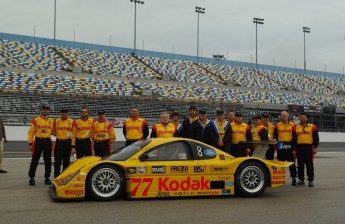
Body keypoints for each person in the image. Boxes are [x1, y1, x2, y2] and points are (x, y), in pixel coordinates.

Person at [28, 105, 54, 186]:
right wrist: (30, 143)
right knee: (35, 160)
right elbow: (31, 132)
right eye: (44, 109)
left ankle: (47, 177)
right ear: (41, 110)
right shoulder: (35, 120)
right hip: (38, 141)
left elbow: (55, 131)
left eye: (47, 110)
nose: (45, 111)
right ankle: (31, 177)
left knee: (48, 161)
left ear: (48, 111)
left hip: (47, 141)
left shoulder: (52, 121)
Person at [293, 112, 319, 187]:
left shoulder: (312, 127)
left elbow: (316, 138)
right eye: (301, 117)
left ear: (306, 118)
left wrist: (315, 147)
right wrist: (294, 149)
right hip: (299, 148)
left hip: (309, 148)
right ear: (299, 118)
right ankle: (301, 180)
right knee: (300, 165)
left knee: (309, 165)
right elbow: (294, 140)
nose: (303, 118)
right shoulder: (296, 127)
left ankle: (310, 180)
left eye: (304, 117)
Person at [274, 111, 297, 186]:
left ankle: (293, 178)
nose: (283, 117)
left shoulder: (293, 125)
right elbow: (275, 136)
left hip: (289, 144)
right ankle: (280, 179)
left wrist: (293, 149)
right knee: (280, 162)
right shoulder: (277, 125)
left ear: (288, 116)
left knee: (291, 162)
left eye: (285, 116)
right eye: (282, 116)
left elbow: (295, 137)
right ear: (280, 117)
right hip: (281, 144)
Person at [52, 108, 75, 177]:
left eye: (65, 112)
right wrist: (59, 135)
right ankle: (56, 176)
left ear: (68, 113)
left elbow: (73, 134)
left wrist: (73, 146)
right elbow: (53, 132)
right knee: (57, 161)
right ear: (60, 113)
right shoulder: (56, 121)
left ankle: (64, 176)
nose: (64, 114)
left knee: (66, 161)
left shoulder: (72, 121)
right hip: (59, 142)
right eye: (63, 112)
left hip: (67, 142)